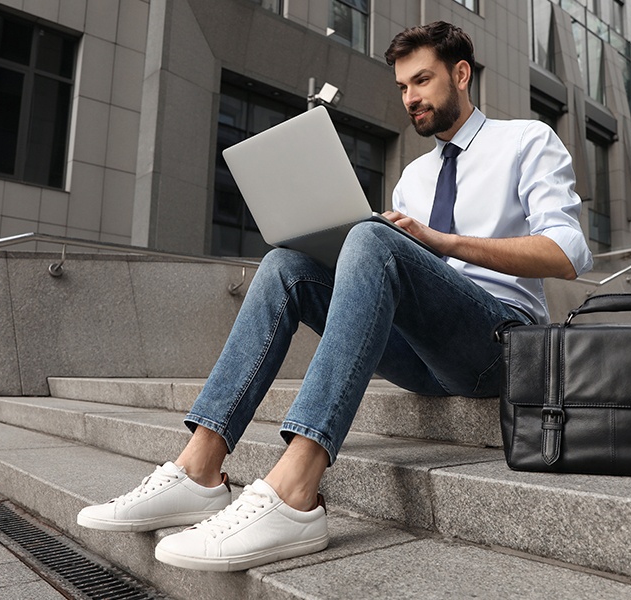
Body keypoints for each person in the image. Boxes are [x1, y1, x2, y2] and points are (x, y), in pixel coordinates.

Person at [77, 21, 592, 572]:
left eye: (421, 81)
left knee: (374, 239)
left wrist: (439, 242)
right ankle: (201, 468)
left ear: (461, 74)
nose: (410, 98)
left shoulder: (526, 140)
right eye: (402, 88)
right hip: (423, 355)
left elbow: (568, 252)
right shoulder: (414, 176)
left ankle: (297, 490)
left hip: (498, 342)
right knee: (285, 266)